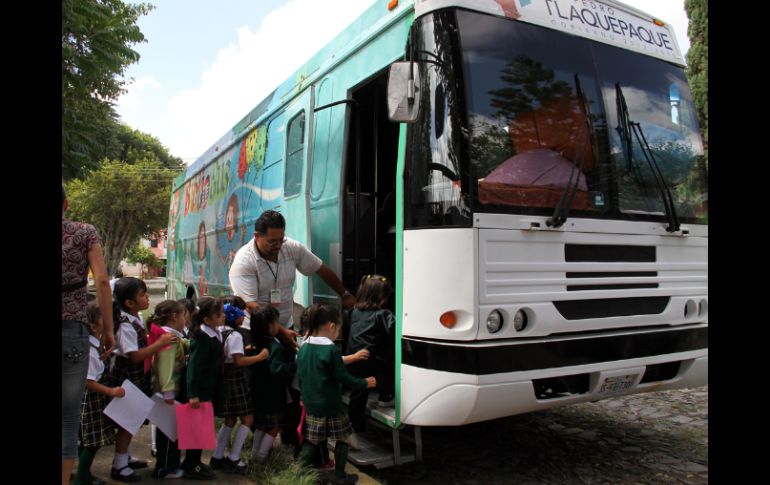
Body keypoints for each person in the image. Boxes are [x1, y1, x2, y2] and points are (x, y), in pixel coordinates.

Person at [229, 210, 356, 352]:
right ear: (257, 236)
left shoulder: (291, 247)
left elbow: (320, 268)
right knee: (262, 371)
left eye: (281, 239)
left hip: (285, 324)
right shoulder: (244, 261)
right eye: (272, 241)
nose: (278, 245)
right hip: (256, 329)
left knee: (288, 371)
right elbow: (252, 305)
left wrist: (344, 294)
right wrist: (280, 331)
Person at [62, 184, 115, 485]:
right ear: (66, 203)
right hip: (72, 331)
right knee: (68, 419)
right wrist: (108, 329)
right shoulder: (85, 233)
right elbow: (103, 281)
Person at [296, 303, 376, 485]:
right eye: (338, 328)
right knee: (344, 438)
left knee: (311, 441)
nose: (338, 332)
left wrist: (302, 398)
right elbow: (343, 376)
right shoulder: (331, 350)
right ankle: (340, 477)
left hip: (312, 404)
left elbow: (300, 376)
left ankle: (298, 476)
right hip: (331, 405)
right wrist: (364, 383)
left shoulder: (304, 348)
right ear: (332, 326)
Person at [108, 277, 176, 482]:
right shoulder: (125, 325)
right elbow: (135, 355)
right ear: (129, 303)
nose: (147, 298)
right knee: (126, 422)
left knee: (131, 419)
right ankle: (119, 466)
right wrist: (160, 343)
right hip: (128, 376)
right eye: (143, 295)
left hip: (136, 376)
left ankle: (125, 457)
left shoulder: (134, 318)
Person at [210, 303, 269, 474]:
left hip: (225, 380)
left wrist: (244, 350)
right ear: (235, 317)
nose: (244, 316)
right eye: (241, 314)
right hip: (235, 380)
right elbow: (238, 361)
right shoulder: (235, 335)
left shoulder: (221, 331)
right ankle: (234, 457)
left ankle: (217, 456)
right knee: (248, 418)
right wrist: (260, 357)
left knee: (229, 419)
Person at [73, 303, 125, 485]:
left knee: (87, 441)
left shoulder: (91, 346)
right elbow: (88, 381)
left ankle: (83, 473)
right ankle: (80, 479)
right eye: (104, 318)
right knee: (93, 442)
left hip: (89, 401)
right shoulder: (91, 351)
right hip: (92, 402)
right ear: (94, 326)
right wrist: (110, 391)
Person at [344, 274, 397, 434]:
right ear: (381, 297)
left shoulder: (353, 312)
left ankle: (354, 428)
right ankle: (385, 398)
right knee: (391, 364)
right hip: (370, 361)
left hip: (353, 360)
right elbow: (395, 330)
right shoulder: (383, 314)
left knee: (358, 395)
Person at [183, 297, 225, 481]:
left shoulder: (213, 333)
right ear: (207, 320)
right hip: (200, 392)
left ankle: (194, 462)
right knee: (196, 429)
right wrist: (193, 394)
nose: (223, 317)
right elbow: (194, 367)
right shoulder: (202, 338)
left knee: (201, 427)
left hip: (208, 390)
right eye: (219, 314)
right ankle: (192, 465)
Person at [248, 305, 296, 463]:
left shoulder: (256, 342)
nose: (278, 325)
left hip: (259, 390)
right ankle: (261, 459)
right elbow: (277, 369)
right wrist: (293, 366)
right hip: (272, 393)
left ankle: (254, 455)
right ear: (269, 326)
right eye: (276, 321)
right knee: (274, 427)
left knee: (261, 425)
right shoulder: (274, 346)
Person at [149, 300, 190, 479]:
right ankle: (164, 467)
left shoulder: (172, 337)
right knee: (167, 432)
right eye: (183, 316)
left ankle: (171, 464)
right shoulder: (169, 340)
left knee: (172, 430)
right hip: (168, 394)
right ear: (174, 317)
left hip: (168, 393)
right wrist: (168, 392)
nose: (185, 320)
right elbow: (166, 367)